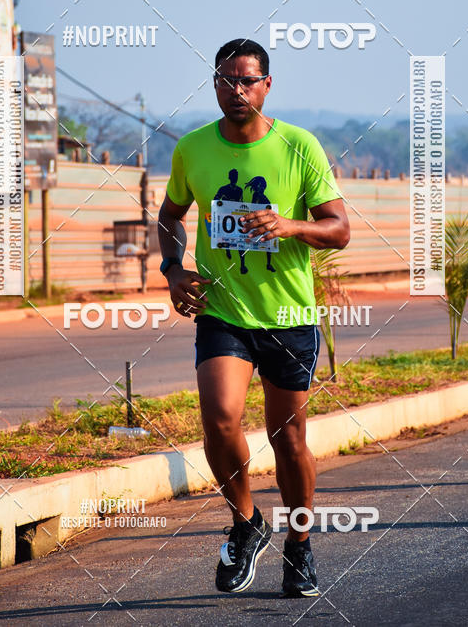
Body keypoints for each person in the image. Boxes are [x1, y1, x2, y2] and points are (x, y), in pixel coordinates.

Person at [158, 38, 350, 597]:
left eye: (247, 81)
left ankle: (300, 546)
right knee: (219, 420)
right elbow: (171, 214)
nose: (236, 91)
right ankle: (246, 522)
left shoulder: (299, 146)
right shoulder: (192, 148)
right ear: (213, 84)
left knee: (288, 442)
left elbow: (338, 230)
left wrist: (292, 227)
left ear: (268, 85)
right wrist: (173, 270)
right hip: (223, 311)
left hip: (288, 316)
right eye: (225, 81)